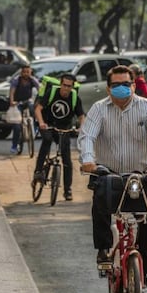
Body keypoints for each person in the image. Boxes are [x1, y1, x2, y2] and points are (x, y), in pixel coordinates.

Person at [77, 65, 147, 293]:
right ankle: (103, 250)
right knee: (99, 204)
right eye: (116, 85)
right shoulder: (99, 109)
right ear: (108, 89)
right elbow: (87, 136)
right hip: (107, 173)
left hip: (141, 174)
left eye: (126, 84)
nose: (122, 88)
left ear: (133, 85)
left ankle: (144, 273)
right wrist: (88, 160)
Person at [33, 73, 85, 201]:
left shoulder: (74, 97)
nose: (66, 89)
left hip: (63, 128)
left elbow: (81, 116)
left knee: (67, 159)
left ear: (72, 87)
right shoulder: (52, 92)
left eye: (69, 86)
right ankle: (38, 171)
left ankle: (67, 190)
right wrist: (41, 123)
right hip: (48, 125)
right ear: (60, 84)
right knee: (47, 140)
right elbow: (38, 109)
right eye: (64, 85)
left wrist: (81, 128)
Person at [9, 65, 39, 154]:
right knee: (17, 126)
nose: (26, 74)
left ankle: (34, 126)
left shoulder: (33, 80)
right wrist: (12, 101)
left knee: (32, 108)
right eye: (24, 72)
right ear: (21, 72)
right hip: (17, 103)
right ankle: (14, 145)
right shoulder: (16, 80)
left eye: (28, 72)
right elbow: (12, 91)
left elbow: (40, 89)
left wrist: (39, 100)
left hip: (27, 101)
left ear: (30, 72)